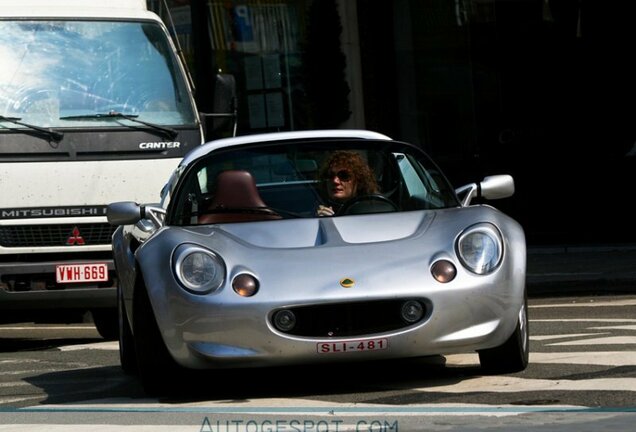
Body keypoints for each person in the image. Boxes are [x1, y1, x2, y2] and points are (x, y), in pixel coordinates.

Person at [316, 150, 379, 216]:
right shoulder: (314, 209)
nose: (335, 181)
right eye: (330, 175)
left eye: (344, 175)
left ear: (359, 181)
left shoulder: (374, 210)